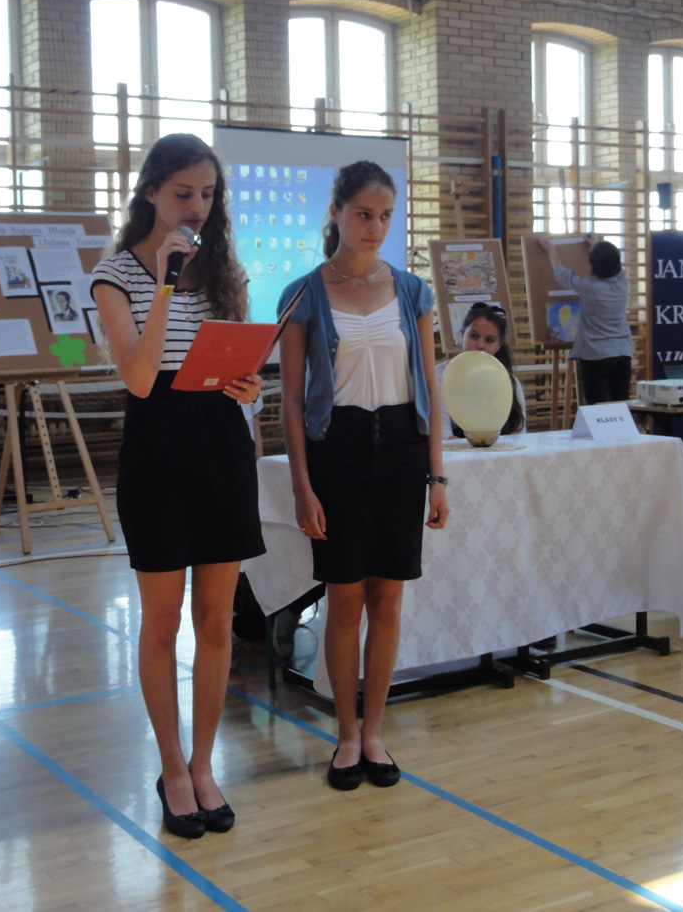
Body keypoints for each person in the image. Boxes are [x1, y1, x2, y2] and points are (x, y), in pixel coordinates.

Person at [91, 133, 265, 840]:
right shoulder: (114, 275)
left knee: (216, 620)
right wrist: (164, 280)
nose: (198, 206)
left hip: (220, 443)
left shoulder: (223, 270)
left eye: (208, 193)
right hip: (158, 451)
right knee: (161, 622)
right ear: (151, 193)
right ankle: (170, 767)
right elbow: (137, 378)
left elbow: (234, 364)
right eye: (184, 193)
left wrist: (248, 388)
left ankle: (202, 764)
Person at [278, 160, 449, 792]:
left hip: (402, 447)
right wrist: (302, 486)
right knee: (344, 598)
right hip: (339, 451)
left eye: (384, 216)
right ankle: (346, 735)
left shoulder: (412, 291)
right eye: (363, 215)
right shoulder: (303, 294)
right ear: (336, 213)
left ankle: (375, 731)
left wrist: (437, 477)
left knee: (388, 598)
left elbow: (429, 384)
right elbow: (290, 401)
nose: (374, 227)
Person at [539, 235, 633, 404]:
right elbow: (609, 264)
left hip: (595, 355)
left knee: (596, 410)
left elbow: (561, 275)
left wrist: (550, 249)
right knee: (621, 408)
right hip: (622, 353)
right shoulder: (622, 283)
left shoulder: (589, 288)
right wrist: (596, 244)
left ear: (594, 265)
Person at [436, 302, 526, 439]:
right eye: (474, 336)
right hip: (457, 451)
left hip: (500, 450)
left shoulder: (510, 382)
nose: (480, 345)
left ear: (498, 345)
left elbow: (519, 436)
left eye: (489, 340)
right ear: (462, 336)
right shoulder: (439, 376)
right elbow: (442, 436)